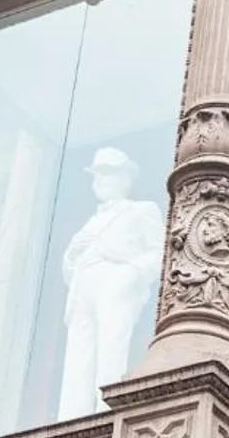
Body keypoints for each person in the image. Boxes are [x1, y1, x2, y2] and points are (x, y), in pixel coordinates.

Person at [56, 147, 164, 418]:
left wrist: (131, 274)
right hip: (83, 286)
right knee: (79, 355)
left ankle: (106, 412)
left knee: (111, 347)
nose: (100, 181)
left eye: (107, 174)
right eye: (97, 176)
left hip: (114, 282)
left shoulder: (141, 211)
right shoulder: (91, 221)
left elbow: (158, 252)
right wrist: (71, 256)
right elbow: (69, 266)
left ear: (125, 178)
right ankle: (73, 415)